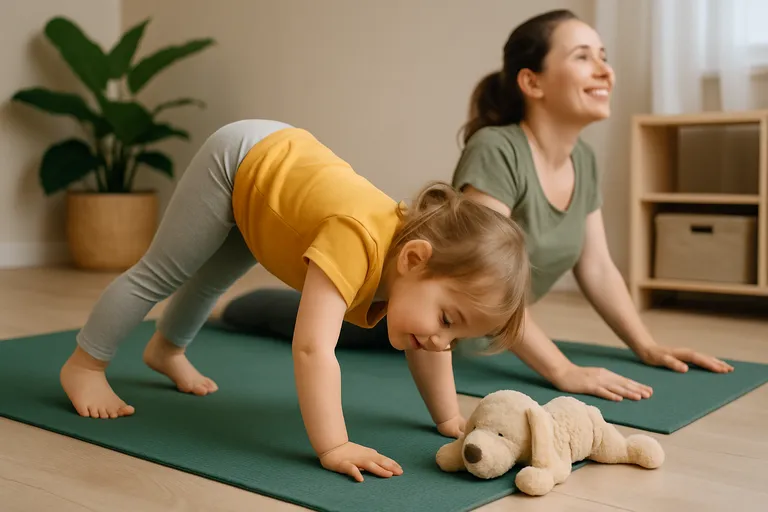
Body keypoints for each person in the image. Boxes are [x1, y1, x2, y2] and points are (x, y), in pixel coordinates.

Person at [221, 9, 734, 403]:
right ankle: (241, 304)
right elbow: (474, 273)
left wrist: (646, 345)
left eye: (604, 55)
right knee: (272, 313)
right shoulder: (497, 149)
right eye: (583, 56)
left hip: (457, 325)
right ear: (531, 82)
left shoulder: (585, 161)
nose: (605, 70)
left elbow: (597, 267)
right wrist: (562, 371)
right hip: (411, 313)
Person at [59, 119, 531, 483]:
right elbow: (312, 349)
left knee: (211, 282)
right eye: (446, 319)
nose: (441, 340)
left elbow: (428, 347)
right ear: (413, 259)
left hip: (270, 190)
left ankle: (166, 349)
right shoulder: (356, 242)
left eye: (455, 336)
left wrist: (448, 416)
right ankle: (85, 365)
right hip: (239, 160)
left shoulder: (414, 275)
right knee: (162, 272)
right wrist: (335, 445)